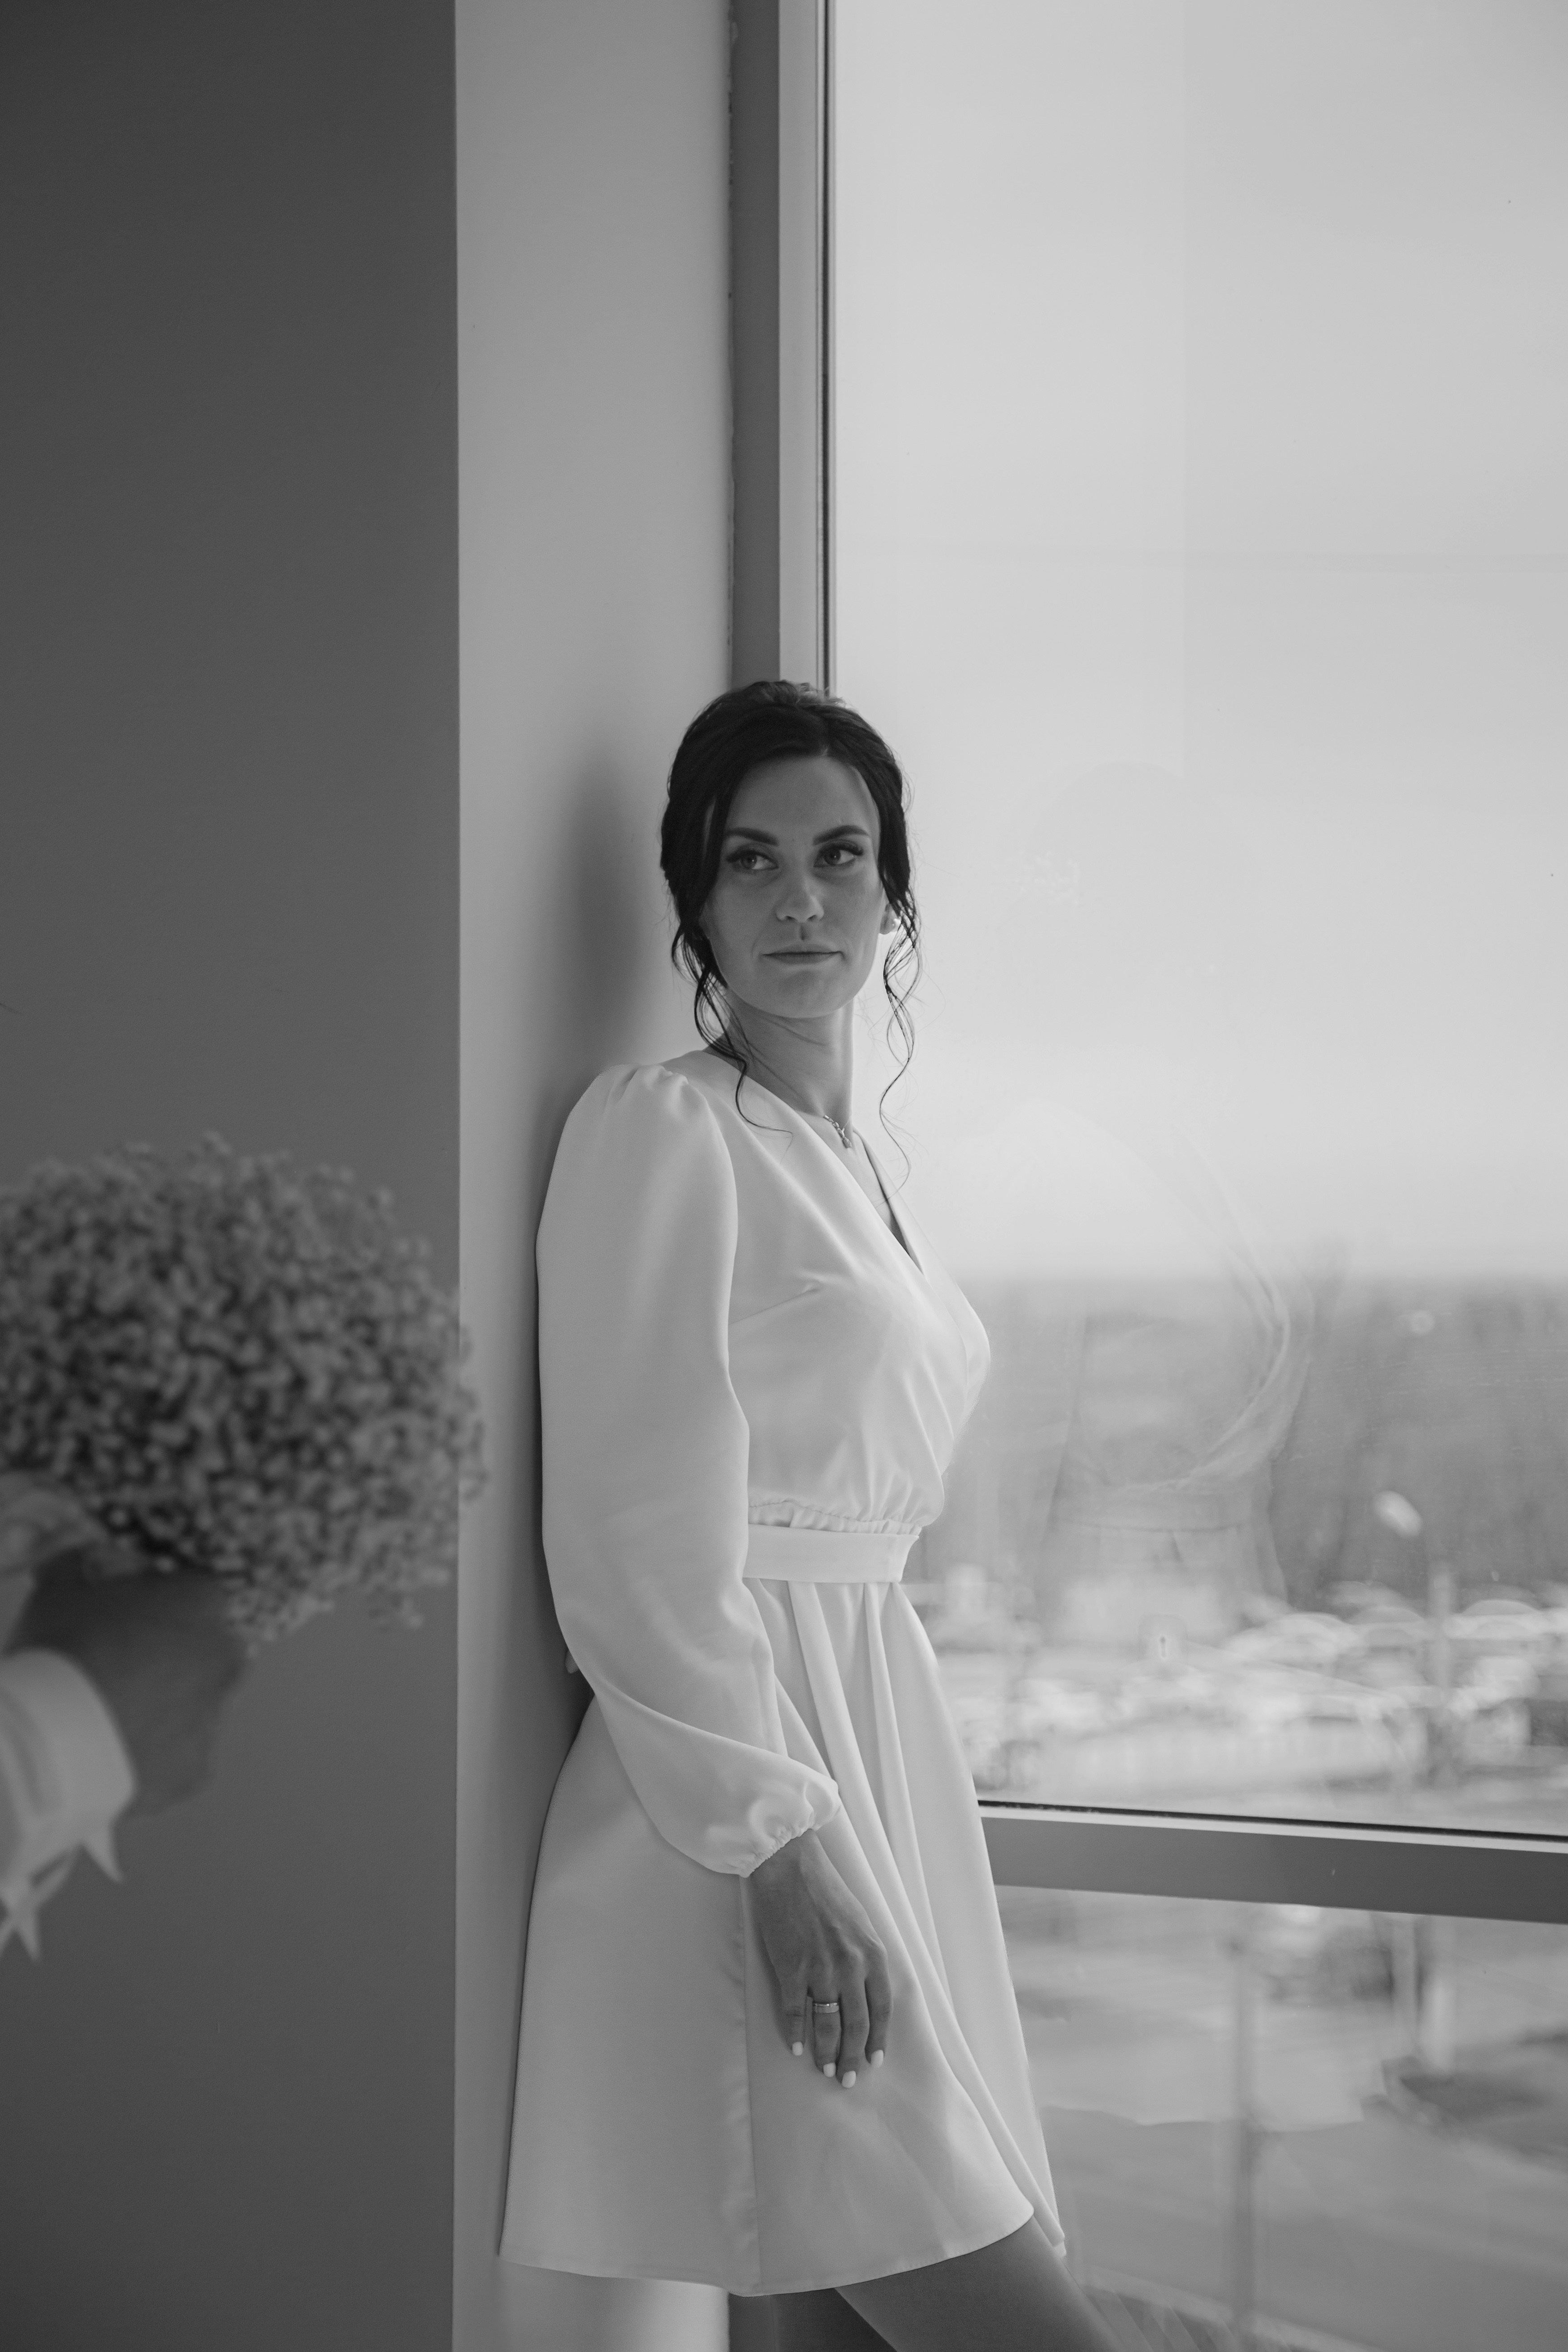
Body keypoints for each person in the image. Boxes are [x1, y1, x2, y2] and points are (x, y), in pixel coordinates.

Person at [501, 681, 1118, 2350]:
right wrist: (782, 1846)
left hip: (872, 1744)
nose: (797, 898)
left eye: (839, 857)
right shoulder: (663, 1132)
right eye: (749, 860)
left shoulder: (859, 1168)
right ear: (694, 900)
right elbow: (630, 1536)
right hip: (739, 1791)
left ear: (890, 896)